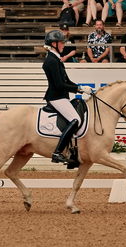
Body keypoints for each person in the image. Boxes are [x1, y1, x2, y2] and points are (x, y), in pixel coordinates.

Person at [42, 30, 92, 163]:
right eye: (61, 42)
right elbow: (59, 85)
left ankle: (72, 153)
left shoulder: (56, 58)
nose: (64, 45)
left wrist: (81, 89)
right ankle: (57, 152)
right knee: (75, 119)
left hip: (61, 96)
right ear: (54, 43)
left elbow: (67, 81)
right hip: (56, 97)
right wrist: (78, 88)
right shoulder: (51, 61)